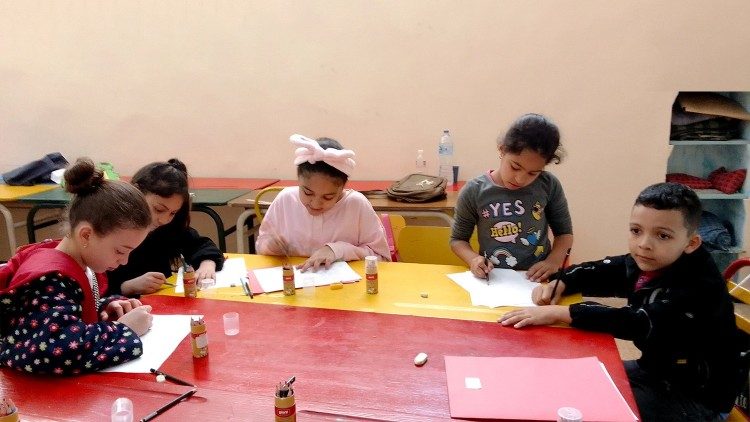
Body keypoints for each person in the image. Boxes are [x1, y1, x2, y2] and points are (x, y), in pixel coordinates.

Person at [499, 182, 740, 421]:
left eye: (663, 235)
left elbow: (638, 321)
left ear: (691, 243)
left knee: (590, 410)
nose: (644, 244)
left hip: (697, 396)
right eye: (636, 231)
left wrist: (563, 313)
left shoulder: (699, 285)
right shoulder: (655, 259)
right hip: (657, 370)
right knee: (573, 384)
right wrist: (564, 282)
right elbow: (610, 269)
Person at [0, 158, 154, 375]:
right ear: (86, 235)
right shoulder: (51, 279)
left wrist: (103, 307)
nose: (125, 261)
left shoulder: (77, 262)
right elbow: (56, 349)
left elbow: (64, 311)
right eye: (120, 251)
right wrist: (124, 329)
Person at [451, 113, 574, 282]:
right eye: (515, 167)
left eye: (533, 173)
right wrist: (474, 259)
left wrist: (554, 261)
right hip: (494, 279)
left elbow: (564, 234)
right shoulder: (474, 191)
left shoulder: (548, 185)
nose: (521, 179)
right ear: (502, 150)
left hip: (538, 280)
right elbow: (458, 240)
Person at [256, 134, 390, 271]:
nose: (315, 204)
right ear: (298, 180)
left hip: (346, 289)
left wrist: (337, 250)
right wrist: (271, 246)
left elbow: (382, 258)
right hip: (293, 285)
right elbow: (261, 245)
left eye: (328, 197)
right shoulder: (285, 200)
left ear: (342, 188)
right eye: (307, 193)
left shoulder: (356, 205)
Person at [107, 159, 224, 296]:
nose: (164, 220)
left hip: (162, 304)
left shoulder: (166, 230)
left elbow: (202, 245)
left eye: (173, 213)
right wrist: (127, 287)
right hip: (123, 309)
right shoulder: (113, 230)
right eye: (158, 209)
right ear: (136, 192)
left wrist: (207, 264)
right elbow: (96, 290)